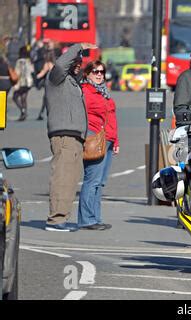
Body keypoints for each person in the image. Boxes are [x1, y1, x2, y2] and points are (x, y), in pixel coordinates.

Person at [45, 42, 97, 232]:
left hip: (75, 138)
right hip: (64, 136)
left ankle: (61, 218)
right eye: (75, 61)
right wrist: (79, 46)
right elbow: (61, 65)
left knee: (70, 181)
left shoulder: (73, 83)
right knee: (62, 178)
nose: (78, 64)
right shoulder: (56, 77)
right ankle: (55, 220)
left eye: (80, 62)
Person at [77, 60, 119, 231]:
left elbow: (112, 117)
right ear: (87, 73)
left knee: (100, 182)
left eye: (102, 71)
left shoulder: (103, 92)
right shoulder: (85, 91)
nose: (99, 74)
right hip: (94, 139)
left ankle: (95, 218)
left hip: (107, 139)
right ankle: (86, 220)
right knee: (92, 180)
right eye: (95, 71)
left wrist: (115, 141)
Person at [12, 46, 33, 121]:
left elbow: (17, 72)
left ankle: (23, 111)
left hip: (21, 82)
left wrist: (15, 83)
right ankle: (24, 114)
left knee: (15, 97)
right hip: (28, 82)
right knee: (24, 98)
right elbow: (32, 70)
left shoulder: (19, 61)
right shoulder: (28, 60)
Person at [36, 49, 56, 120]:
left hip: (49, 83)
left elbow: (42, 73)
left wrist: (35, 76)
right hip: (54, 83)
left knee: (45, 99)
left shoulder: (47, 63)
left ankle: (42, 113)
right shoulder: (55, 63)